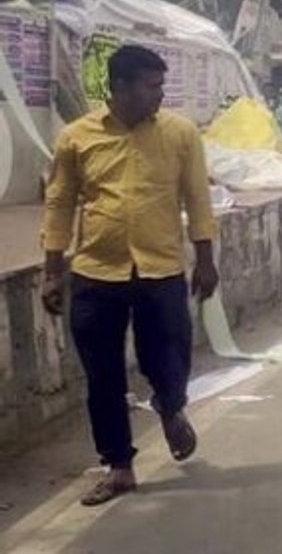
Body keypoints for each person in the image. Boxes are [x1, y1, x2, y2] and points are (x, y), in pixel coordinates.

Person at [41, 45, 218, 506]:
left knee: (170, 356)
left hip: (160, 268)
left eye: (161, 86)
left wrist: (206, 257)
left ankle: (169, 402)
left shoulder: (180, 134)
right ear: (119, 87)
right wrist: (51, 271)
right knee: (102, 376)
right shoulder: (77, 138)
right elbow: (59, 203)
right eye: (151, 85)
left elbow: (198, 197)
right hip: (96, 272)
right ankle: (118, 465)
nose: (160, 95)